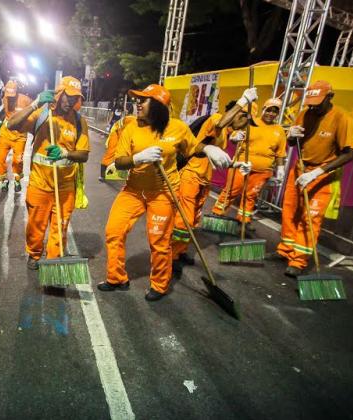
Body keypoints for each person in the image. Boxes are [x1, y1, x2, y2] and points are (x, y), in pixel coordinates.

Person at [98, 84, 230, 301]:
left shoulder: (177, 128)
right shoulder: (132, 127)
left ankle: (159, 285)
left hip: (164, 192)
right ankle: (116, 278)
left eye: (144, 100)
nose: (138, 103)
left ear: (159, 106)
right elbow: (120, 162)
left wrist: (207, 148)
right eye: (138, 100)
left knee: (159, 241)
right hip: (133, 190)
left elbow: (192, 148)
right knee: (114, 231)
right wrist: (137, 158)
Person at [273, 80, 353, 277]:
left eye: (318, 103)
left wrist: (317, 173)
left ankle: (298, 260)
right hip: (300, 168)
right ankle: (286, 249)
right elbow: (294, 143)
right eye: (310, 103)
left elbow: (349, 153)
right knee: (290, 211)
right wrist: (290, 135)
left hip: (322, 173)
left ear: (330, 97)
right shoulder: (305, 113)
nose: (313, 107)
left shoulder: (342, 118)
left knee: (311, 218)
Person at [7, 76, 90, 270]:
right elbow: (12, 124)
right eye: (67, 96)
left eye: (75, 98)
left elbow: (84, 155)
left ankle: (53, 264)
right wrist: (35, 104)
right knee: (35, 228)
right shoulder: (42, 114)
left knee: (59, 229)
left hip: (65, 189)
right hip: (39, 184)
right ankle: (34, 254)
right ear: (59, 93)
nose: (70, 101)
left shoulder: (79, 122)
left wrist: (65, 153)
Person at [170, 89, 255, 267]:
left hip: (204, 180)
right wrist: (243, 100)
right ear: (240, 114)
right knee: (183, 219)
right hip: (190, 176)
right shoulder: (216, 118)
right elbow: (222, 122)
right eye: (247, 120)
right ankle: (173, 256)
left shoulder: (225, 135)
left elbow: (216, 159)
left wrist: (236, 165)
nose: (247, 125)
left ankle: (182, 249)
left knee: (193, 219)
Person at [211, 97, 287, 229]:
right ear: (263, 110)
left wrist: (280, 168)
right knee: (231, 190)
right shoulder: (250, 122)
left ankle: (244, 221)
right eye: (269, 110)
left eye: (275, 111)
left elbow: (280, 153)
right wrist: (235, 138)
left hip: (263, 171)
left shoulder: (279, 130)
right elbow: (234, 135)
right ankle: (217, 215)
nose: (271, 114)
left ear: (278, 114)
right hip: (241, 165)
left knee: (251, 195)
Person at [0, 80, 32, 192]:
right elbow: (3, 112)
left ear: (16, 92)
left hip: (20, 136)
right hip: (6, 133)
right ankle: (4, 180)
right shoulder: (5, 99)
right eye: (8, 95)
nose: (10, 98)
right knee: (0, 157)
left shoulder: (26, 100)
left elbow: (33, 114)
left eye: (12, 95)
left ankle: (17, 179)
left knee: (18, 160)